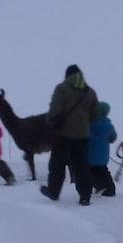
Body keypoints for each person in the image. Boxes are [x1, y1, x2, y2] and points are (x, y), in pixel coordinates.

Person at [40, 64, 99, 206]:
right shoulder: (90, 92)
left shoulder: (61, 89)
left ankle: (53, 191)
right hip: (83, 136)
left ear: (67, 76)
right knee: (81, 165)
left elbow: (55, 109)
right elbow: (95, 115)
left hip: (63, 134)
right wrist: (83, 124)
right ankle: (85, 196)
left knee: (57, 164)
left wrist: (49, 123)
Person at [88, 101, 118, 197]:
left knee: (90, 172)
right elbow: (113, 138)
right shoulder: (109, 125)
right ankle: (110, 189)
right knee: (103, 172)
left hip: (89, 155)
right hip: (102, 156)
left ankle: (98, 187)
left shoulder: (89, 124)